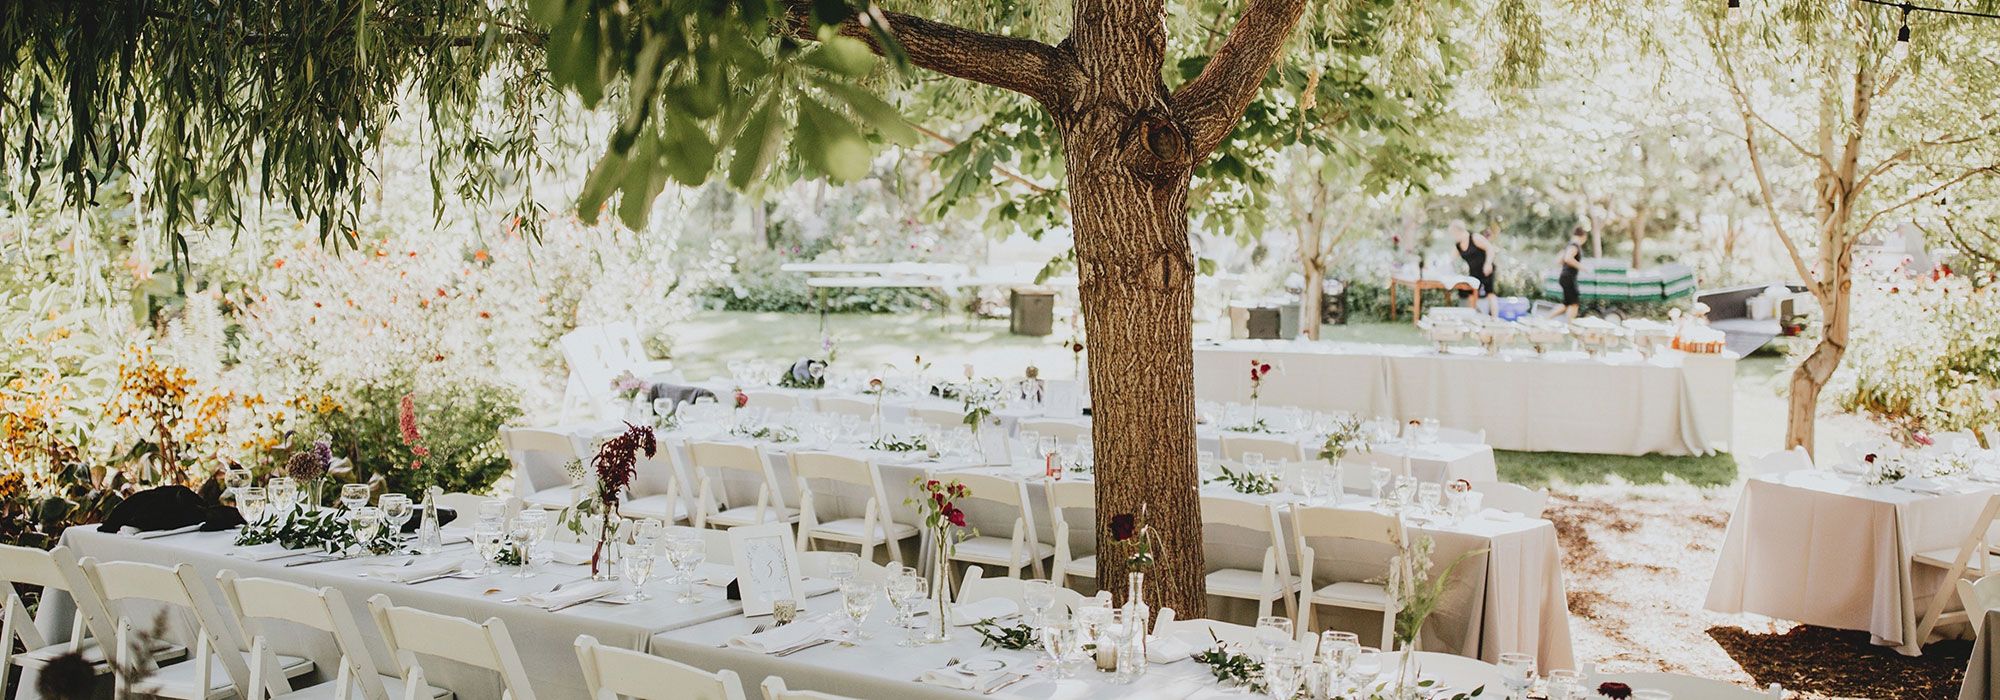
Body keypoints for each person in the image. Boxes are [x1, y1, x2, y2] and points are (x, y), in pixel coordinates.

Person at [1451, 220, 1497, 316]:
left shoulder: (1475, 238)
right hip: (1474, 273)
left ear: (1458, 231)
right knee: (1471, 294)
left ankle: (1495, 318)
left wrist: (1488, 264)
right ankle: (1473, 317)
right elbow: (1450, 259)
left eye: (1453, 233)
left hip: (1486, 269)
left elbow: (1490, 248)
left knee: (1490, 294)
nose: (1453, 236)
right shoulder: (1458, 245)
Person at [1555, 227, 1587, 319]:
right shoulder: (1574, 245)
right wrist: (1582, 268)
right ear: (1583, 236)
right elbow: (1567, 258)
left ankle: (1546, 319)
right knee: (1574, 304)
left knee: (1566, 304)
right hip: (1569, 277)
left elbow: (1559, 260)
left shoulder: (1568, 245)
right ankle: (1570, 326)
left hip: (1564, 276)